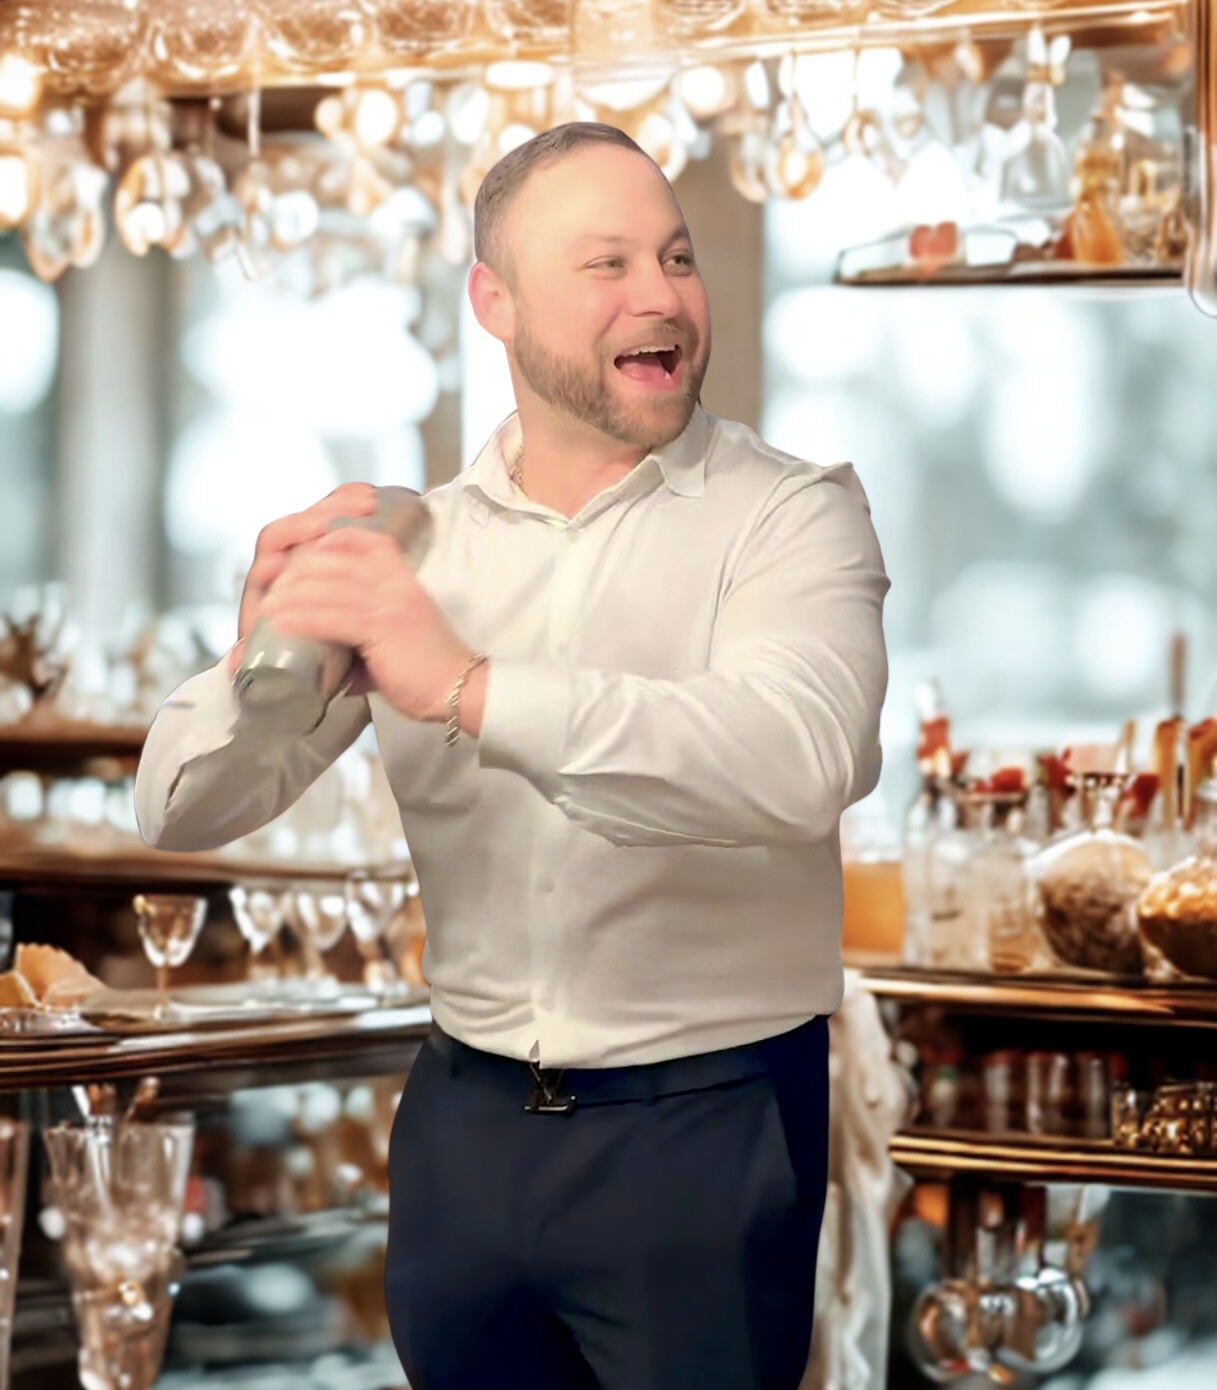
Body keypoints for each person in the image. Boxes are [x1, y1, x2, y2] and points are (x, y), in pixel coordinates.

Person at [135, 121, 889, 1390]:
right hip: (462, 1133)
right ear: (495, 302)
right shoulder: (414, 547)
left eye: (676, 257)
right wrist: (252, 658)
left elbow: (799, 753)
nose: (661, 296)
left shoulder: (791, 514)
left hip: (704, 1132)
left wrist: (470, 687)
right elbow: (177, 805)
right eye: (606, 264)